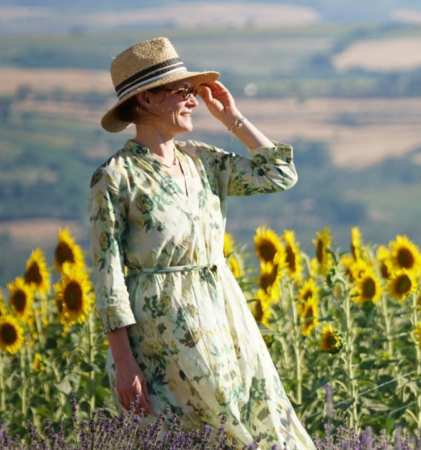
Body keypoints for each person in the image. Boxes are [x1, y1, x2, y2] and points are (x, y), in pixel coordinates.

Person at [88, 37, 316, 449]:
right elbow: (108, 276)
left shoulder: (202, 161)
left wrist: (233, 117)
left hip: (224, 320)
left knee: (262, 429)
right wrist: (124, 364)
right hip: (159, 337)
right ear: (147, 97)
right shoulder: (116, 177)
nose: (194, 101)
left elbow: (279, 174)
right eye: (183, 91)